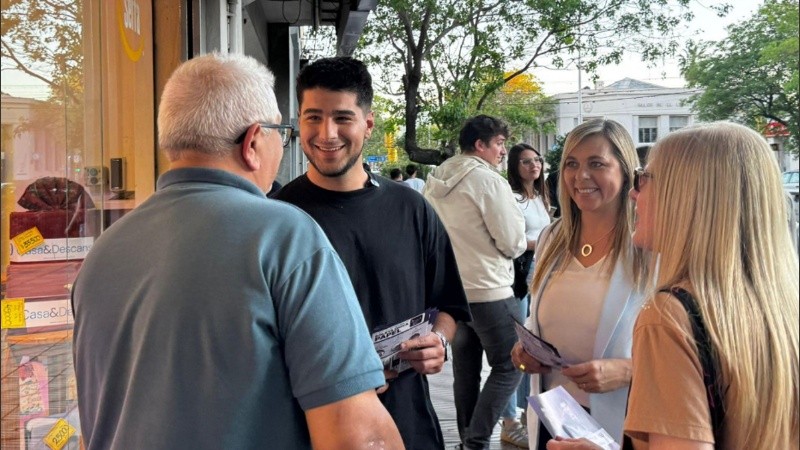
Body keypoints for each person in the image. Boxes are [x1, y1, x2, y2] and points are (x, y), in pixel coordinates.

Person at [70, 53, 403, 450]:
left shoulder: (103, 253)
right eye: (281, 132)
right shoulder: (285, 238)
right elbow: (359, 437)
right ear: (253, 142)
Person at [547, 122, 799, 450]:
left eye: (645, 179)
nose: (634, 194)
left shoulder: (669, 315)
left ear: (686, 196)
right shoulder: (782, 302)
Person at [273, 56, 471, 450]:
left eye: (342, 118)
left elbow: (449, 304)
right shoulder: (278, 217)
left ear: (368, 123)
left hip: (409, 423)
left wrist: (438, 342)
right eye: (314, 118)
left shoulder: (411, 209)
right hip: (313, 430)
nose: (327, 133)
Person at [510, 119, 648, 449]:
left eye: (596, 164)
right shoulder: (552, 238)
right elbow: (537, 320)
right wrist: (523, 352)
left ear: (625, 170)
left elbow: (685, 348)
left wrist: (630, 371)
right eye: (571, 164)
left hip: (625, 420)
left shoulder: (648, 244)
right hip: (555, 417)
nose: (581, 176)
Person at [423, 114, 527, 450]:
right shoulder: (488, 181)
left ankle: (467, 440)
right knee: (512, 364)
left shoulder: (435, 179)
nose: (503, 151)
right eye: (499, 143)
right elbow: (512, 241)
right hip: (490, 288)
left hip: (453, 293)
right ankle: (476, 441)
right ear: (480, 145)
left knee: (465, 372)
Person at [500, 143, 551, 448]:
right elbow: (513, 240)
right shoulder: (512, 198)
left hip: (541, 274)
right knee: (516, 347)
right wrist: (544, 240)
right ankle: (509, 418)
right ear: (515, 167)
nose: (534, 165)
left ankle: (523, 411)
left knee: (534, 344)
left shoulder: (541, 196)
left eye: (537, 160)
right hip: (520, 276)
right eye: (526, 162)